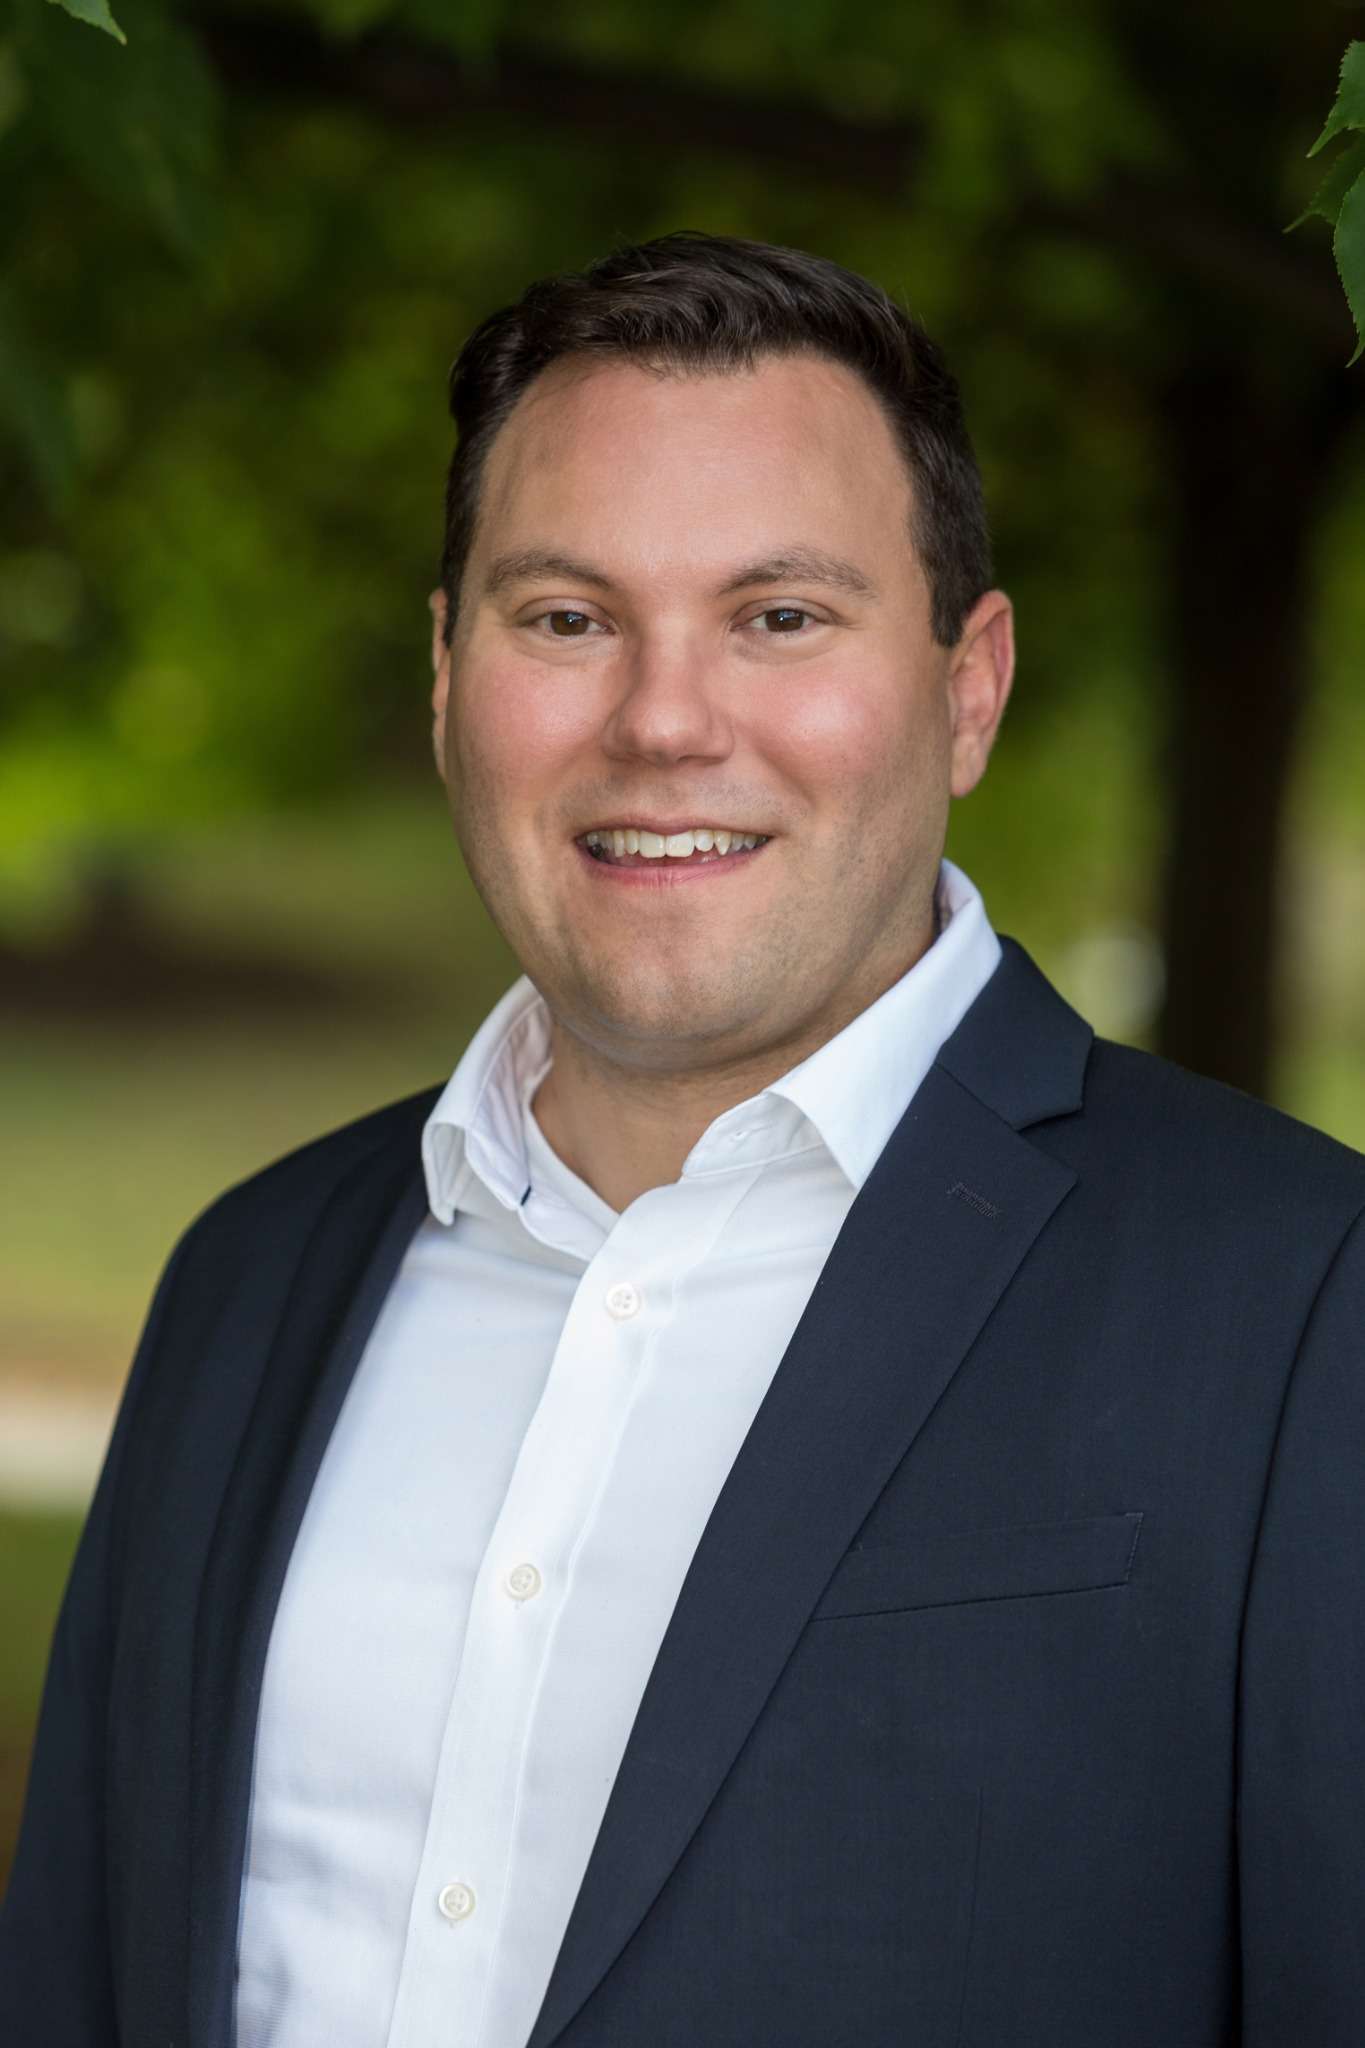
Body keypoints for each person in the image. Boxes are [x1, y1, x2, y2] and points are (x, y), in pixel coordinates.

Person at [2, 231, 1363, 2048]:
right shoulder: (250, 1275)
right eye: (565, 619)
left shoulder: (1298, 1301)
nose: (660, 719)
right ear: (442, 673)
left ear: (969, 687)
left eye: (778, 618)